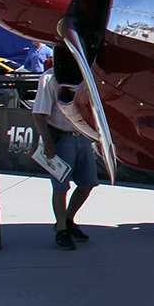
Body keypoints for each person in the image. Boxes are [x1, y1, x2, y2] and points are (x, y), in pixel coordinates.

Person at [31, 58, 98, 250]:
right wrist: (48, 142)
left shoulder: (86, 74)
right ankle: (61, 229)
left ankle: (68, 219)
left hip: (82, 134)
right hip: (62, 137)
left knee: (87, 183)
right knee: (61, 186)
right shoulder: (50, 77)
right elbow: (39, 114)